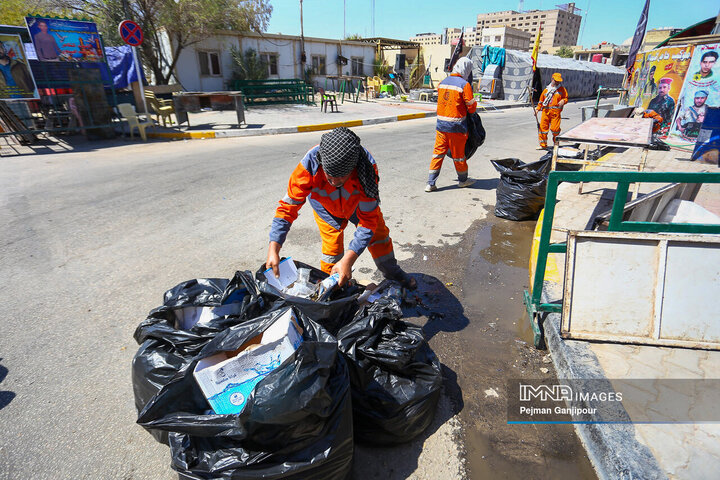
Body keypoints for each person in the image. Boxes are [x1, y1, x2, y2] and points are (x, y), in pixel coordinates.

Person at [266, 127, 416, 289]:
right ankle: (333, 288)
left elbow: (368, 222)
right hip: (326, 209)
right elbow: (288, 206)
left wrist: (349, 259)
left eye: (340, 178)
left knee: (379, 237)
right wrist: (274, 247)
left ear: (353, 168)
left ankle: (393, 273)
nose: (334, 183)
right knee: (331, 252)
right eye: (329, 178)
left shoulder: (365, 168)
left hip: (357, 207)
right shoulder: (309, 164)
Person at [424, 57, 477, 192]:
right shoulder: (464, 85)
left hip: (441, 126)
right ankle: (463, 180)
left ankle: (430, 183)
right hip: (457, 127)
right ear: (466, 70)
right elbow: (471, 107)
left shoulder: (442, 83)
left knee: (437, 154)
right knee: (459, 156)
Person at [535, 72, 568, 149]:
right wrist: (537, 109)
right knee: (543, 129)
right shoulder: (546, 90)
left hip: (555, 113)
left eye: (558, 81)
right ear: (552, 79)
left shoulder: (562, 90)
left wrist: (563, 101)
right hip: (545, 112)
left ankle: (556, 144)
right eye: (556, 80)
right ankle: (543, 145)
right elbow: (541, 101)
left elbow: (566, 98)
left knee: (555, 129)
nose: (557, 82)